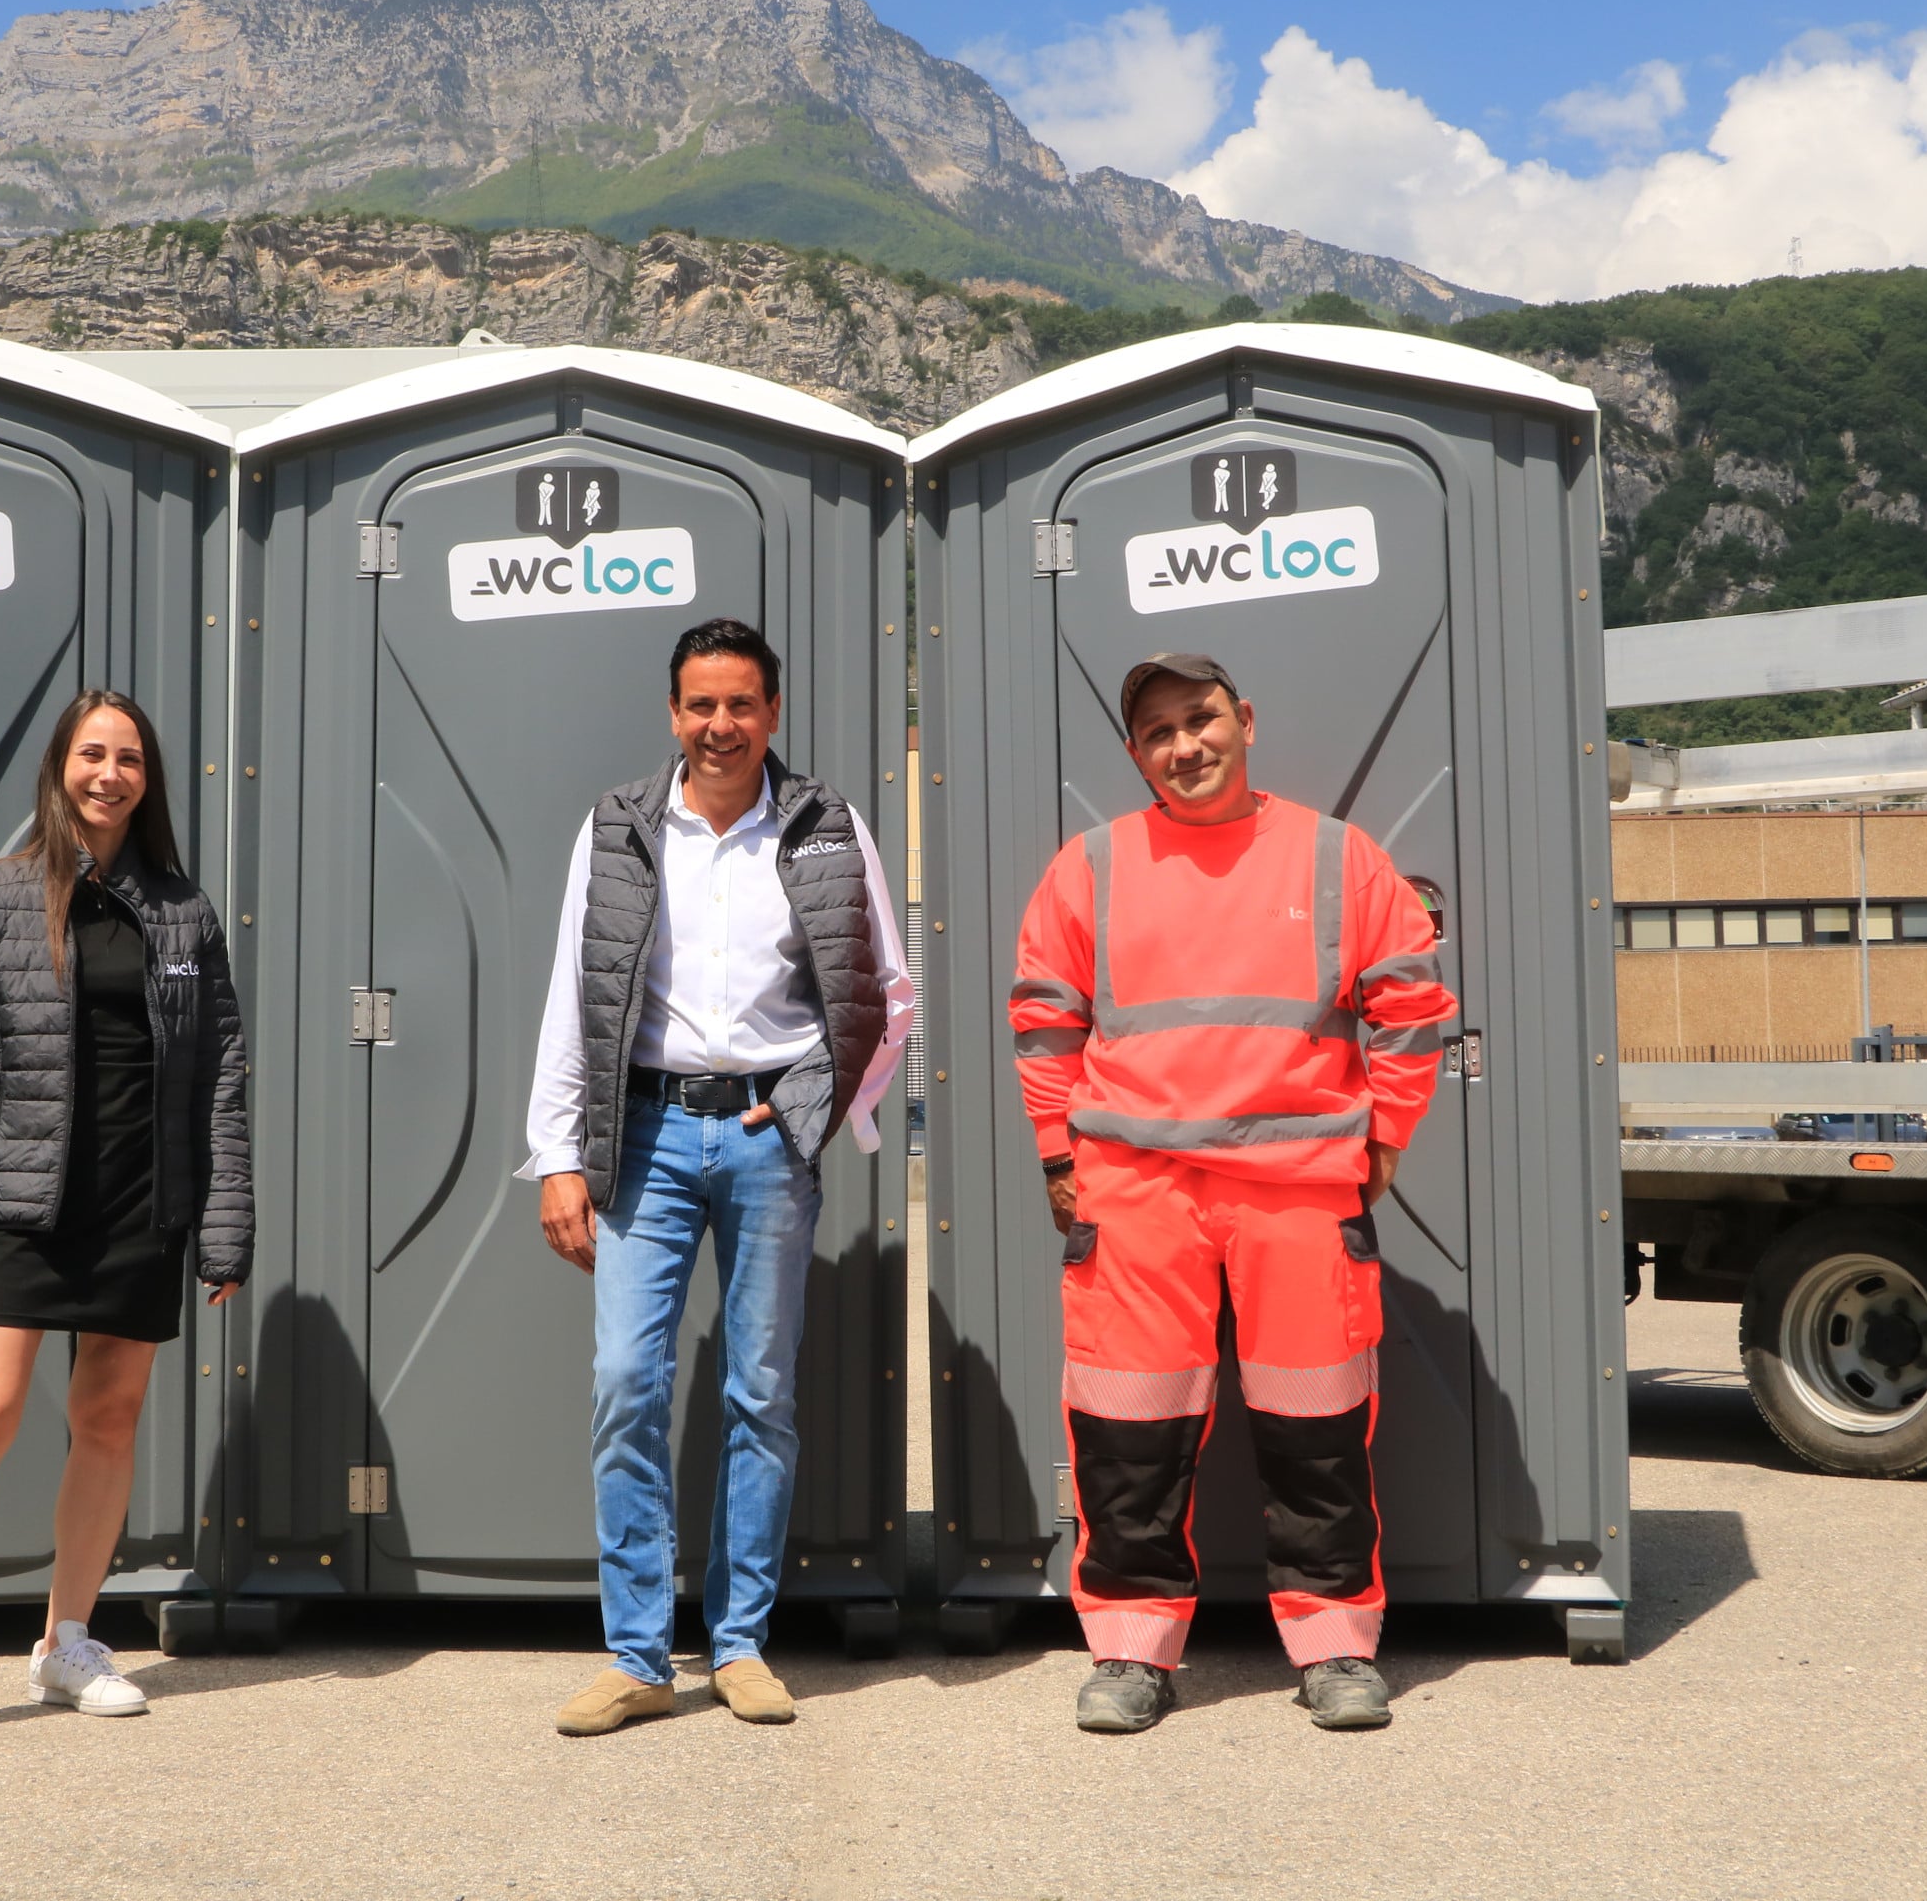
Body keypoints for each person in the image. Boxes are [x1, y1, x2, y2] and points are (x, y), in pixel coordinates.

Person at [1007, 654, 1457, 1736]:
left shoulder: (1337, 855)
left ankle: (1336, 1644)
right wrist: (1060, 1160)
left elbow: (1409, 996)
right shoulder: (1093, 865)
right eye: (1157, 731)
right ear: (1135, 753)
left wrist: (1386, 1133)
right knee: (1127, 1438)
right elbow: (1042, 1018)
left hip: (1298, 1191)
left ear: (1244, 719)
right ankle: (1129, 1647)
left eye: (1200, 718)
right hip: (1137, 1191)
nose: (1183, 745)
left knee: (1320, 1429)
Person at [525, 617, 913, 1736]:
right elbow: (576, 995)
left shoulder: (826, 827)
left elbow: (888, 993)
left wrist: (804, 1107)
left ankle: (739, 1644)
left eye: (741, 704)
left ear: (772, 713)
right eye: (700, 704)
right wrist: (557, 1155)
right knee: (624, 1384)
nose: (720, 725)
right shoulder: (620, 826)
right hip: (643, 1134)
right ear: (673, 712)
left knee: (761, 1394)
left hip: (763, 1144)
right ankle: (640, 1655)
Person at [0, 689, 252, 1758]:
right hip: (24, 1206)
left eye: (129, 757)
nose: (110, 772)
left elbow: (222, 1074)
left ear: (149, 778)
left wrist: (222, 1221)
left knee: (110, 1417)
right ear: (61, 765)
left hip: (142, 1201)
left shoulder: (183, 911)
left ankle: (67, 1640)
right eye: (93, 753)